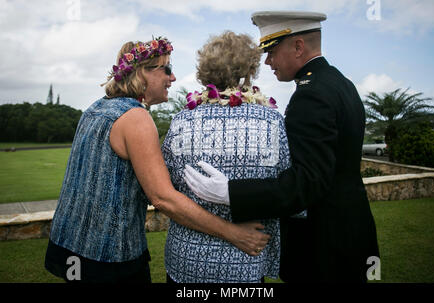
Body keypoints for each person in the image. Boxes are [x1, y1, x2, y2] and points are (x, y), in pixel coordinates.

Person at [44, 36, 270, 283]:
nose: (172, 78)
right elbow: (163, 198)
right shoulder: (136, 118)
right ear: (141, 73)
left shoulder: (95, 109)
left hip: (68, 247)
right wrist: (234, 233)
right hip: (109, 258)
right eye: (167, 69)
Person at [184, 12, 380, 282]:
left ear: (298, 47)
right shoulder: (339, 83)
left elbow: (307, 182)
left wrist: (231, 192)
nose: (268, 61)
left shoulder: (311, 95)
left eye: (272, 51)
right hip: (351, 232)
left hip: (325, 245)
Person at [162, 31, 291, 283]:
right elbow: (288, 190)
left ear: (205, 70)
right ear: (249, 69)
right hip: (246, 260)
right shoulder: (272, 121)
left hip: (187, 260)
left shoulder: (181, 121)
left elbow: (167, 190)